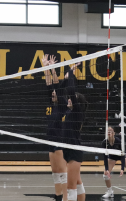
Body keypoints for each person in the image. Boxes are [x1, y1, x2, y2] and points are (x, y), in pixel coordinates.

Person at [42, 54, 68, 201]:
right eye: (51, 93)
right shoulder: (50, 104)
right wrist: (45, 67)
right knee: (54, 171)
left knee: (62, 171)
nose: (53, 93)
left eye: (55, 93)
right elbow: (48, 85)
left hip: (59, 140)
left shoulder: (62, 106)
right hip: (50, 140)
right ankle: (58, 195)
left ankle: (65, 196)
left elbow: (56, 85)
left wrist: (53, 69)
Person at [61, 65, 88, 201]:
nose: (69, 99)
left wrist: (71, 72)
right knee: (77, 183)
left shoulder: (77, 113)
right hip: (68, 149)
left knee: (70, 187)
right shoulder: (68, 111)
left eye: (73, 98)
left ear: (78, 103)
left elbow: (71, 90)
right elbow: (62, 93)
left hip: (74, 150)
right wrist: (66, 79)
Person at [101, 126, 125, 198]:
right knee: (105, 175)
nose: (109, 132)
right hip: (112, 157)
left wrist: (122, 168)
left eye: (111, 131)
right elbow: (105, 157)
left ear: (114, 133)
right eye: (108, 131)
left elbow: (123, 156)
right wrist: (107, 169)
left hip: (121, 155)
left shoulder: (118, 141)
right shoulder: (104, 143)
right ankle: (110, 192)